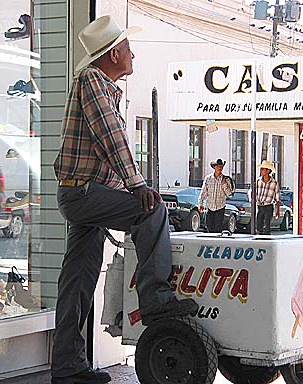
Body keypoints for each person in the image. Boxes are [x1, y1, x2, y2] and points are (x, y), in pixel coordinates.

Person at [51, 15, 198, 384]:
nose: (133, 54)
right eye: (129, 48)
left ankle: (68, 367)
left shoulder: (99, 85)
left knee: (78, 282)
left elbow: (107, 142)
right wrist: (137, 185)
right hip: (83, 194)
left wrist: (127, 185)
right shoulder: (92, 81)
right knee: (152, 211)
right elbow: (111, 136)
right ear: (114, 54)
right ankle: (155, 300)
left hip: (82, 193)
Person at [198, 158, 235, 232]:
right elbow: (203, 192)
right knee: (209, 227)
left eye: (221, 166)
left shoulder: (226, 179)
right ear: (214, 167)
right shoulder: (208, 178)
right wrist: (200, 203)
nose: (220, 168)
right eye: (218, 166)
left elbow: (229, 194)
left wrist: (224, 184)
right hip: (210, 207)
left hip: (220, 207)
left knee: (218, 228)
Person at [255, 160, 280, 235]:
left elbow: (277, 197)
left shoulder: (274, 183)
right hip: (260, 205)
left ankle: (266, 241)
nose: (261, 171)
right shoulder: (258, 181)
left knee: (267, 226)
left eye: (263, 169)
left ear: (268, 171)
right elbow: (253, 192)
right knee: (259, 226)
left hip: (268, 206)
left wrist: (277, 210)